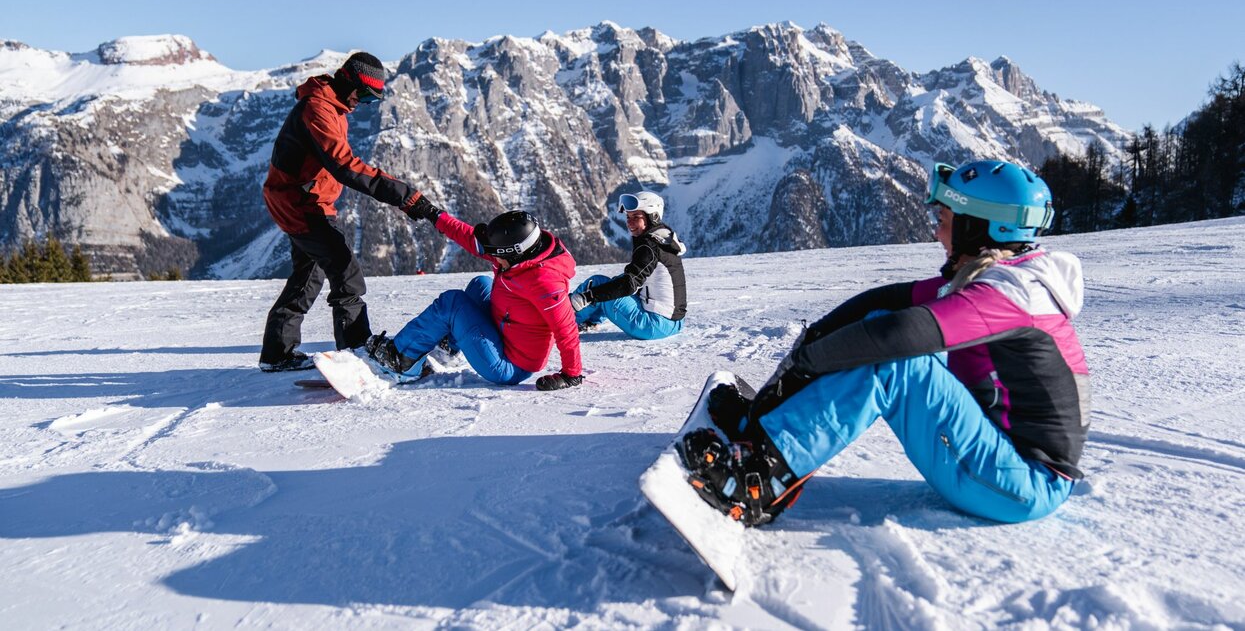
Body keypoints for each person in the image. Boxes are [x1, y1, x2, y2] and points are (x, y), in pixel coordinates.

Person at [684, 159, 1089, 526]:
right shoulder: (996, 277)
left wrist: (806, 361)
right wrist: (814, 340)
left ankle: (759, 485)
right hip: (1000, 463)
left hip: (1024, 484)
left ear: (978, 227)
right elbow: (885, 302)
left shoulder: (1013, 295)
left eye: (945, 220)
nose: (937, 232)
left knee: (895, 360)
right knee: (874, 335)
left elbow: (896, 336)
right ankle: (761, 427)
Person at [258, 52, 428, 372]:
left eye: (371, 100)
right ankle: (356, 350)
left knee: (308, 276)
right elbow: (345, 167)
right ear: (347, 79)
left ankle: (276, 353)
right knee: (345, 271)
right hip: (299, 202)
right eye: (363, 94)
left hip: (308, 199)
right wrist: (405, 197)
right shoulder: (317, 109)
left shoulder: (334, 106)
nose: (361, 103)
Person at [365, 203, 586, 391]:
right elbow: (473, 241)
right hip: (507, 335)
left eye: (497, 255)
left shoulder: (545, 283)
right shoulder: (522, 254)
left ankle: (402, 360)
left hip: (509, 365)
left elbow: (565, 328)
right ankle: (449, 347)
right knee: (481, 284)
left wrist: (571, 375)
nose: (492, 258)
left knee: (452, 303)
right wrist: (434, 214)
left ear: (514, 252)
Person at [569, 191, 687, 339]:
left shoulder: (649, 246)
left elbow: (629, 284)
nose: (630, 222)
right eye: (628, 217)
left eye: (636, 217)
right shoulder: (663, 238)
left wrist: (587, 297)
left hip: (653, 325)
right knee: (604, 284)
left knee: (598, 288)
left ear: (653, 217)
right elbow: (635, 280)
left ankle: (560, 323)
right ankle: (588, 321)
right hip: (674, 323)